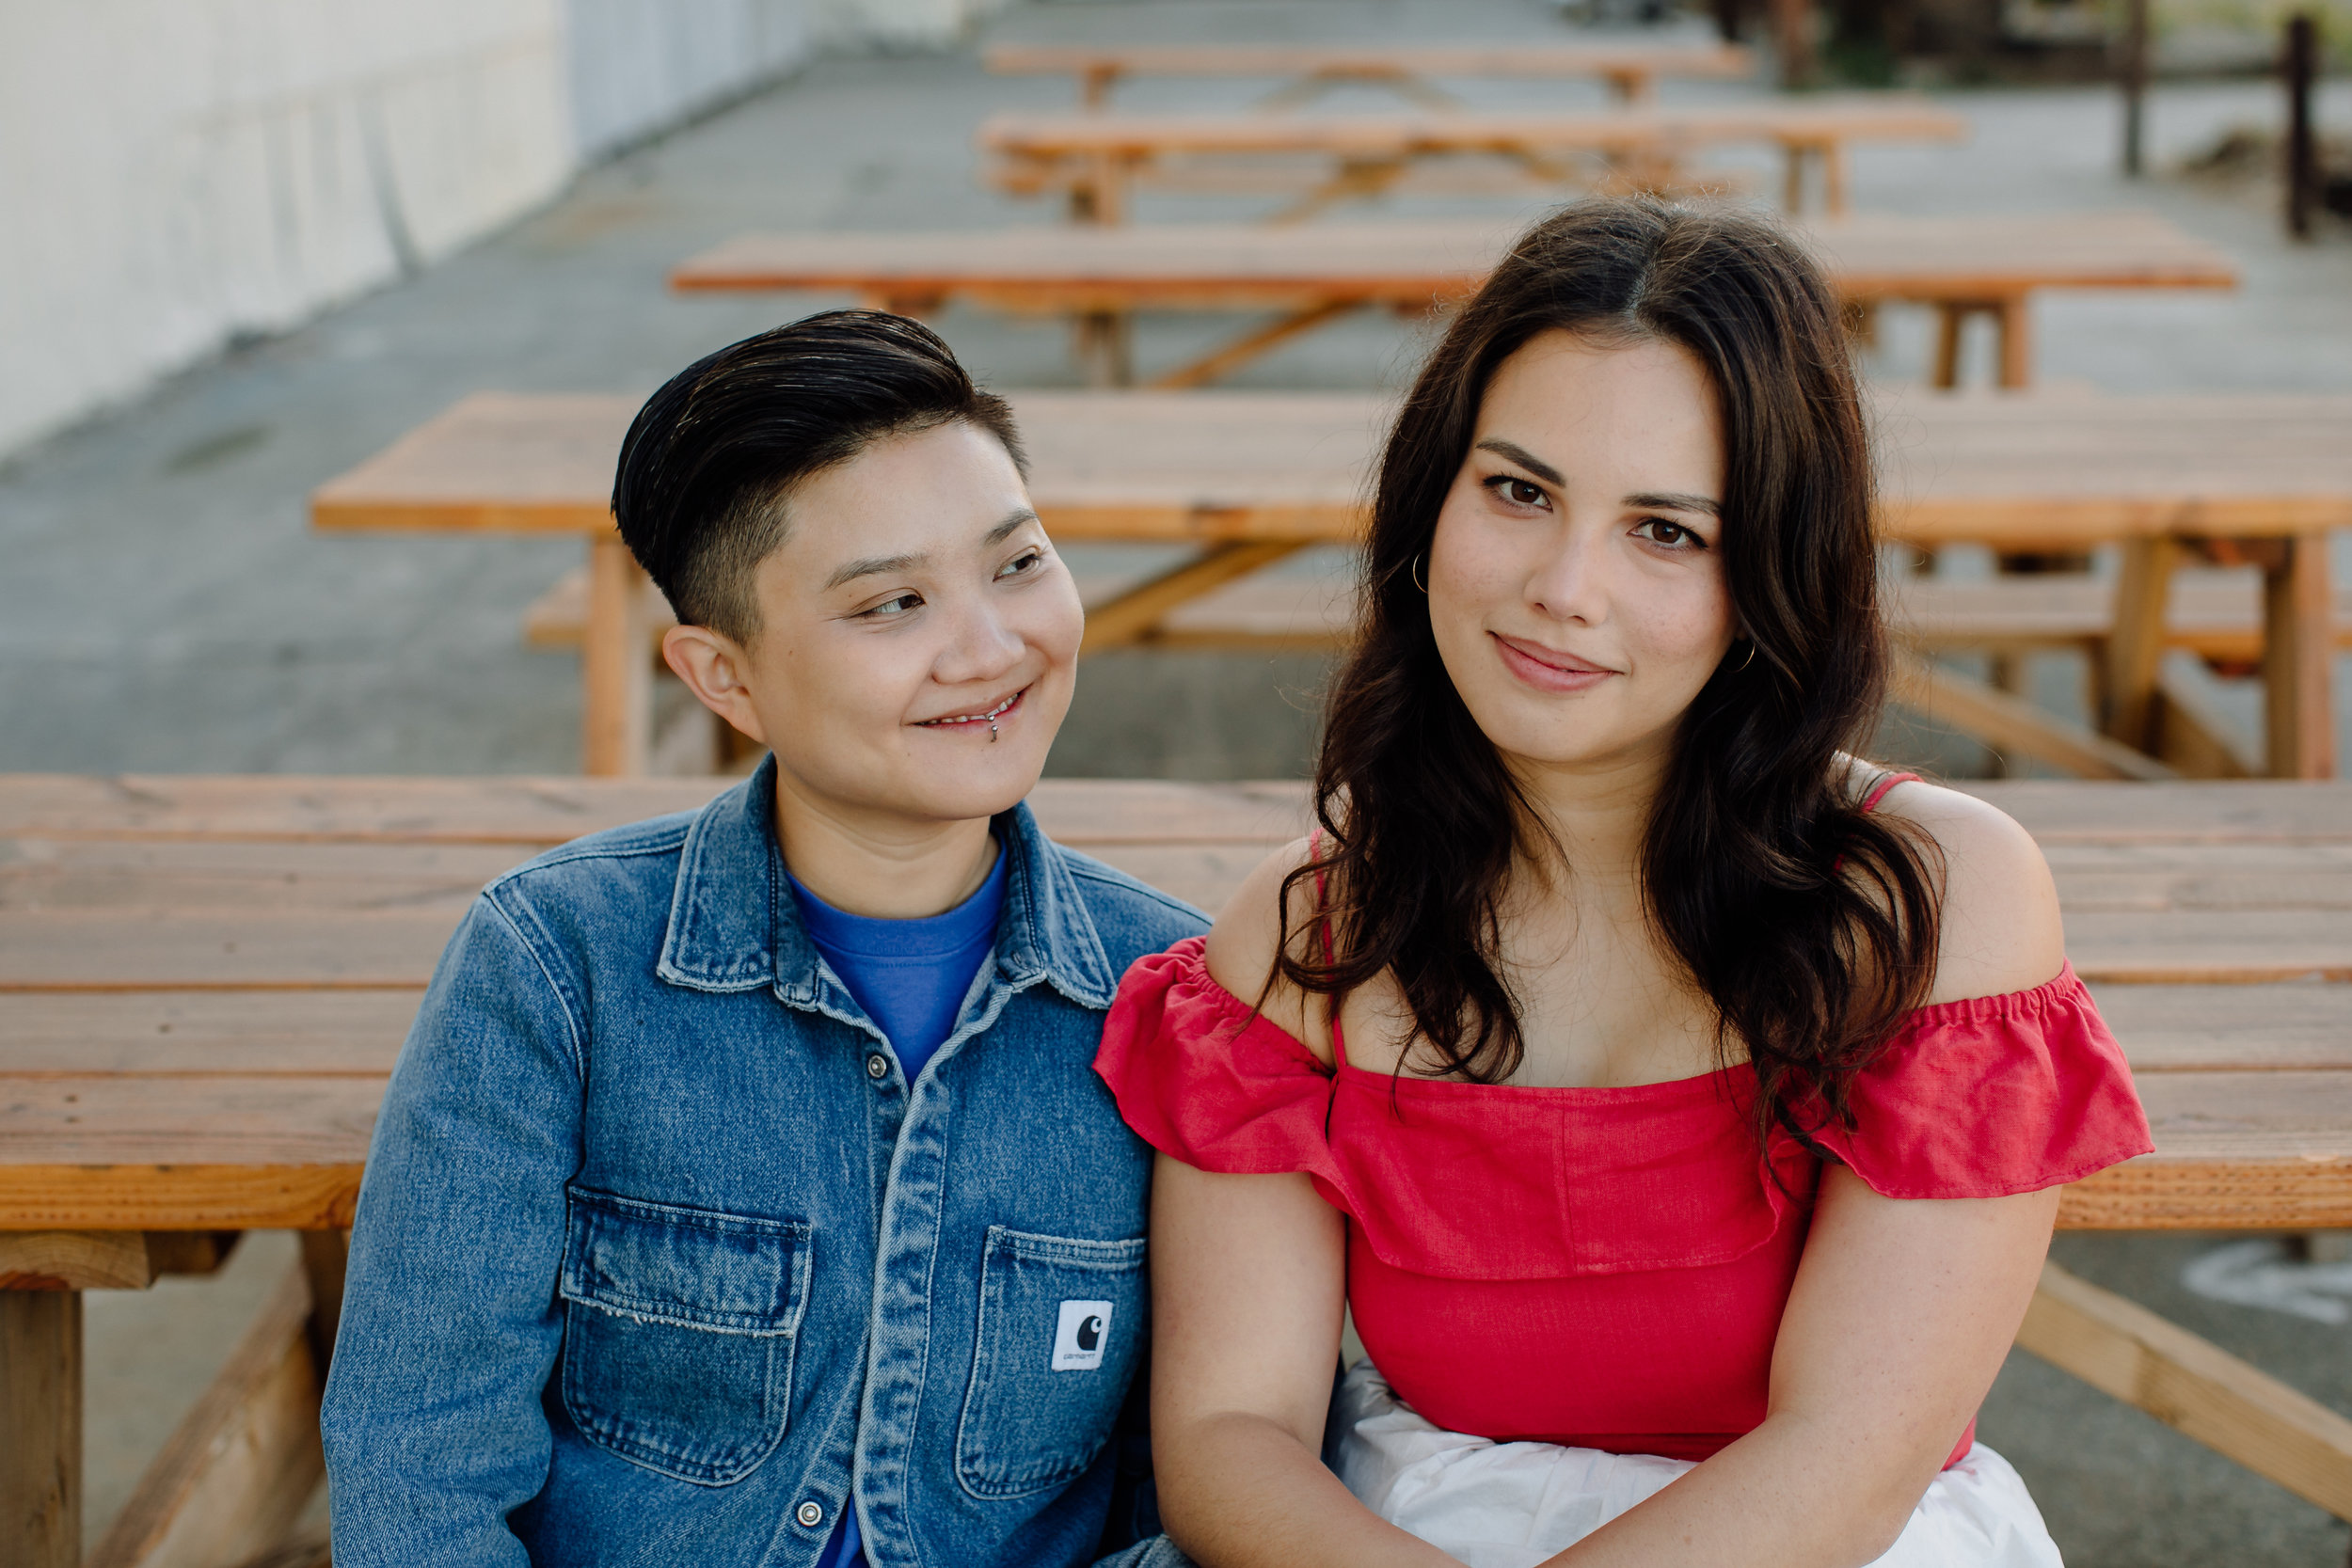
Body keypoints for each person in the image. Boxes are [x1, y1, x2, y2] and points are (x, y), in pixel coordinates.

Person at [1095, 199, 2154, 1568]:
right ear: (1433, 501)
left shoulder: (1932, 908)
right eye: (1519, 492)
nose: (1562, 587)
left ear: (1772, 574)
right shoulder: (1305, 939)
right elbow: (1231, 1438)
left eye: (1667, 532)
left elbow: (1852, 1452)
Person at [321, 311, 1204, 1567]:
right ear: (723, 678)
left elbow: (1214, 1483)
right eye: (893, 603)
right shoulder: (552, 968)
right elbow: (421, 1462)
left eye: (1017, 563)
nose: (993, 647)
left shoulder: (1178, 996)